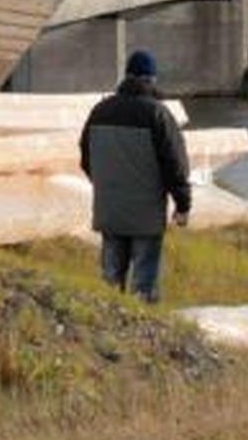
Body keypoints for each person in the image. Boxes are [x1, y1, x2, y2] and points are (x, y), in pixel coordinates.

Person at [79, 50, 191, 303]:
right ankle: (142, 334)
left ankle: (108, 327)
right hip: (146, 215)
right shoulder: (157, 114)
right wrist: (183, 205)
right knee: (143, 286)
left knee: (110, 281)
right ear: (151, 80)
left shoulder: (100, 111)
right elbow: (175, 165)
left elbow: (86, 159)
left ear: (126, 77)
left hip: (110, 211)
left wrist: (106, 187)